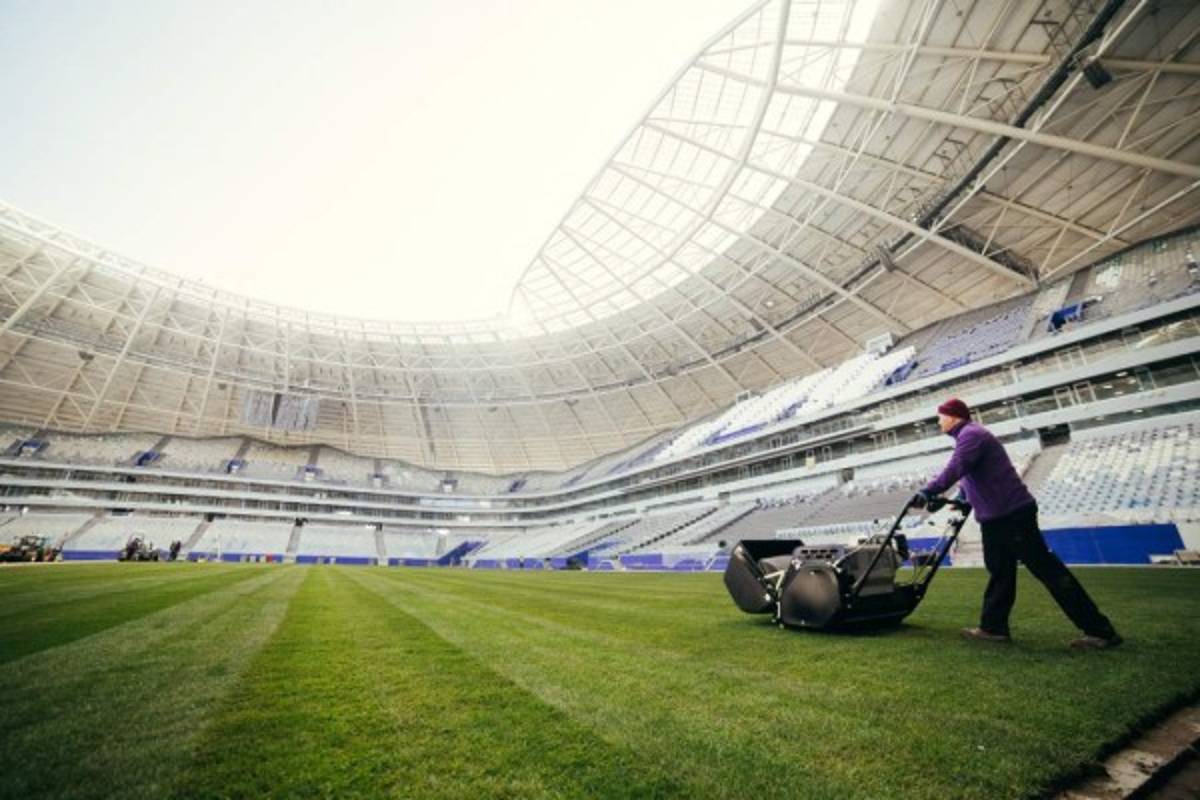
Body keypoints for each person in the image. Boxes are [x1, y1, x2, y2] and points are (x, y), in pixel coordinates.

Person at [912, 398, 1122, 649]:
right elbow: (970, 476)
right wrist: (960, 498)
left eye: (941, 416)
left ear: (954, 416)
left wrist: (928, 490)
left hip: (1010, 516)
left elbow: (958, 467)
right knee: (1000, 575)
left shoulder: (972, 434)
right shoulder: (967, 438)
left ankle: (1100, 631)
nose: (938, 422)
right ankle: (993, 628)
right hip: (996, 519)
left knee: (1048, 571)